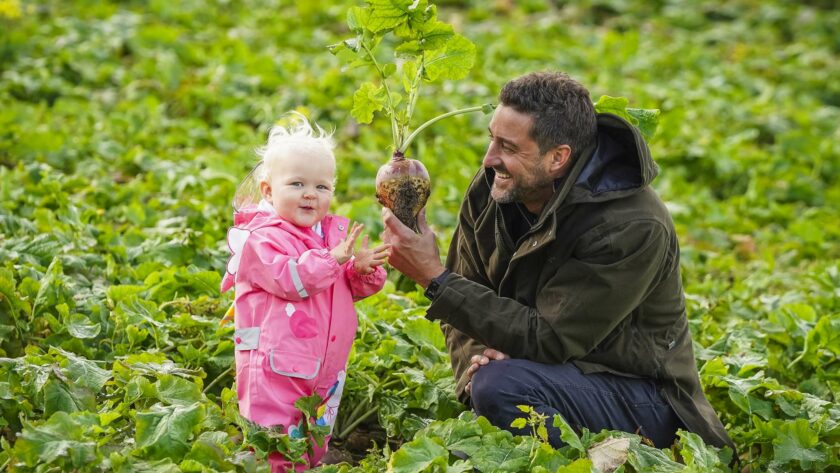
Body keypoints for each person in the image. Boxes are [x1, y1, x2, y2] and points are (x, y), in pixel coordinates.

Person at [381, 71, 734, 452]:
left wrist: (434, 277)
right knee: (488, 392)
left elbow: (550, 338)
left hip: (644, 395)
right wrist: (476, 364)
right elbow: (467, 303)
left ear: (558, 157)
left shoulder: (630, 224)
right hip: (547, 370)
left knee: (501, 389)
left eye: (508, 147)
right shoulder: (494, 186)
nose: (489, 158)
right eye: (491, 138)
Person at [221, 114, 390, 471]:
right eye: (297, 184)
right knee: (277, 443)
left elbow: (340, 288)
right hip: (274, 364)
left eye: (322, 187)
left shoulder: (328, 238)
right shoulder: (261, 239)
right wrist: (333, 259)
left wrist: (360, 270)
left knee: (313, 441)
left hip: (325, 363)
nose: (310, 194)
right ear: (268, 190)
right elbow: (291, 279)